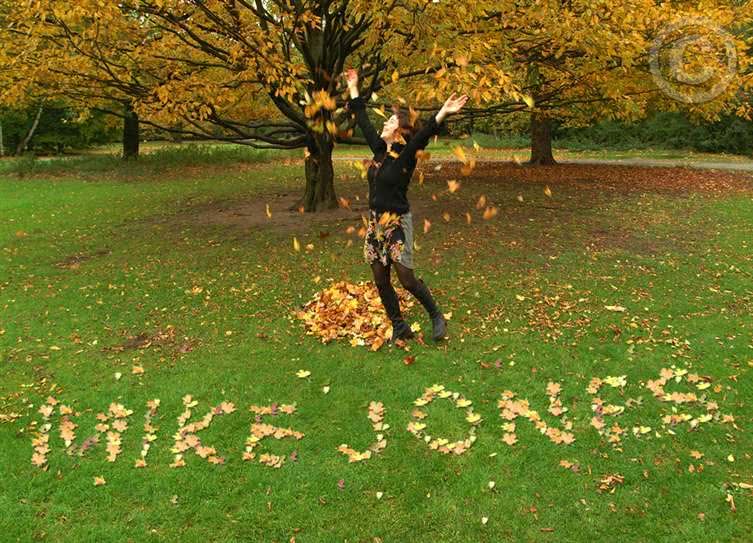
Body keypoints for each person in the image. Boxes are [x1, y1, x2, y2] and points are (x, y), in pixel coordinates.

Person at [344, 68, 468, 344]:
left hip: (398, 221)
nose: (385, 123)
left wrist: (443, 113)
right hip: (376, 223)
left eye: (390, 121)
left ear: (400, 132)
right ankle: (399, 326)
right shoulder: (379, 150)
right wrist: (353, 87)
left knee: (406, 278)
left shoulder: (405, 157)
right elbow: (362, 118)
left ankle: (436, 315)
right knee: (380, 278)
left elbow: (423, 135)